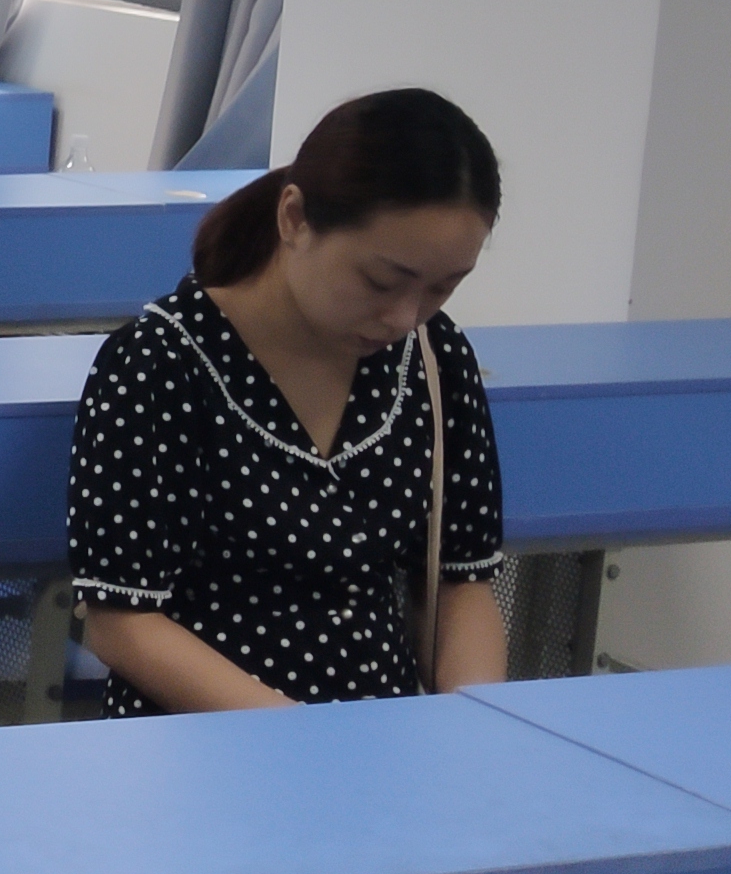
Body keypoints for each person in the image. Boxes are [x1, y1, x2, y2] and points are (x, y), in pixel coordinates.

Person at [67, 88, 509, 718]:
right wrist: (305, 742)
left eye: (442, 288)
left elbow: (461, 579)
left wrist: (470, 726)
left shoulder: (434, 361)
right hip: (196, 748)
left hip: (381, 747)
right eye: (381, 281)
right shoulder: (160, 365)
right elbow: (123, 621)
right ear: (295, 219)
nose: (404, 316)